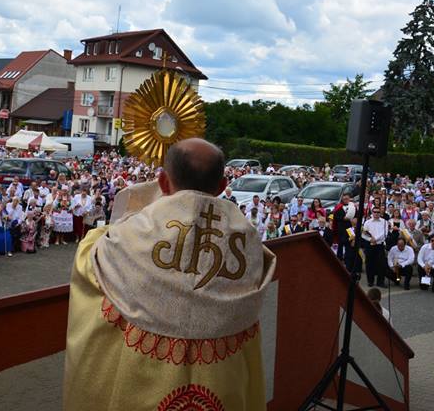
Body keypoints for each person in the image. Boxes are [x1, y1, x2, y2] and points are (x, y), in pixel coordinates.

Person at [63, 139, 277, 410]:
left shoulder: (132, 233)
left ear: (163, 181)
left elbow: (90, 260)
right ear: (223, 186)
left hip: (142, 381)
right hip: (222, 382)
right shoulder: (249, 242)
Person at [362, 205, 389, 287]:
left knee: (381, 264)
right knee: (369, 264)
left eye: (378, 212)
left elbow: (385, 233)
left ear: (380, 213)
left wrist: (375, 239)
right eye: (375, 212)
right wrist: (370, 239)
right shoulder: (367, 222)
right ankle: (370, 281)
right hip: (370, 245)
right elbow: (363, 234)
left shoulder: (384, 222)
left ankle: (380, 282)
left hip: (379, 245)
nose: (376, 213)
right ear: (372, 213)